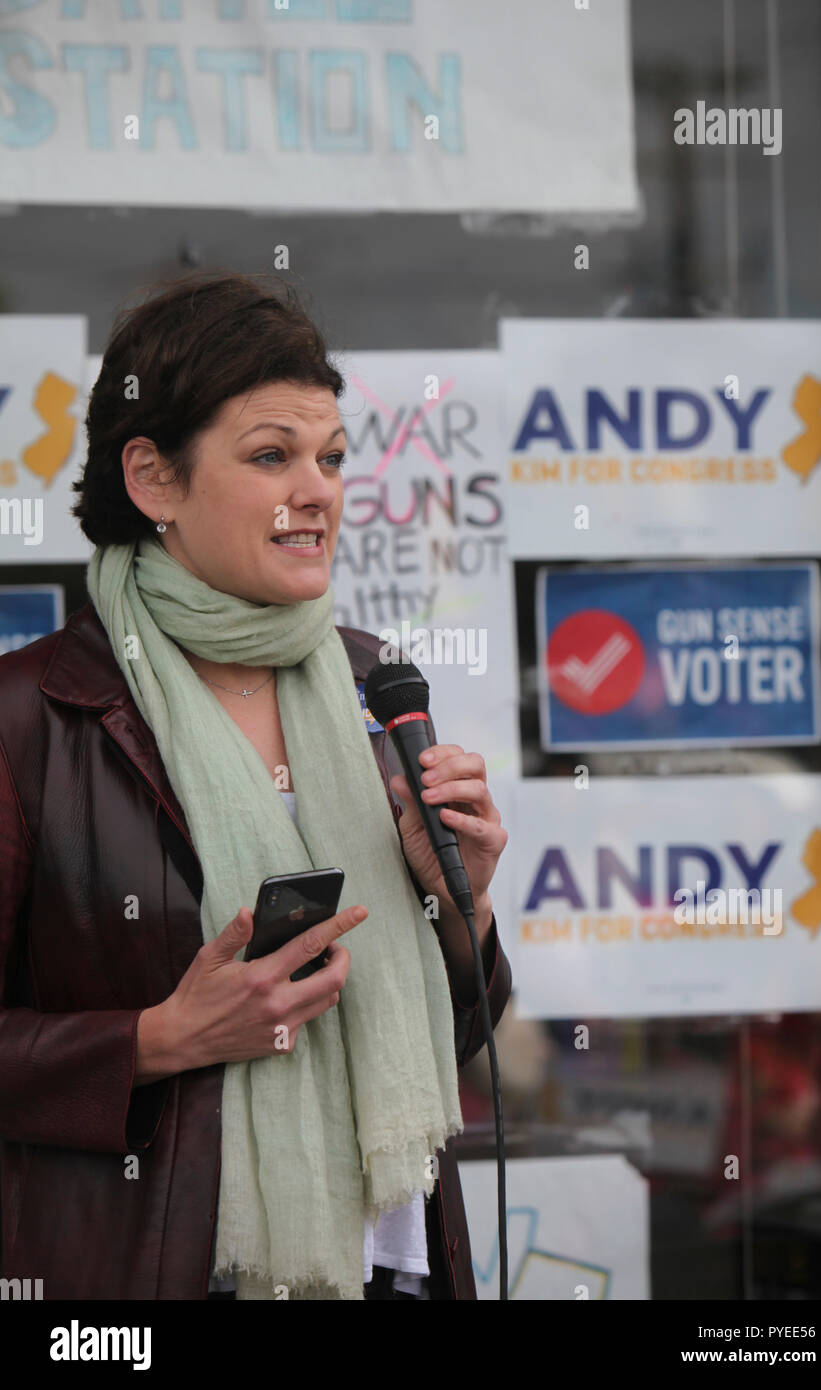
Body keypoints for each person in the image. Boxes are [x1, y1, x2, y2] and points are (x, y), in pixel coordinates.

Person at [0, 272, 512, 1301]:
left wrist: (461, 902)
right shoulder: (34, 714)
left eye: (330, 457)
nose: (318, 489)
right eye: (271, 455)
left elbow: (448, 1035)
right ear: (152, 478)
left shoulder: (374, 686)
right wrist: (158, 1039)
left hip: (390, 1269)